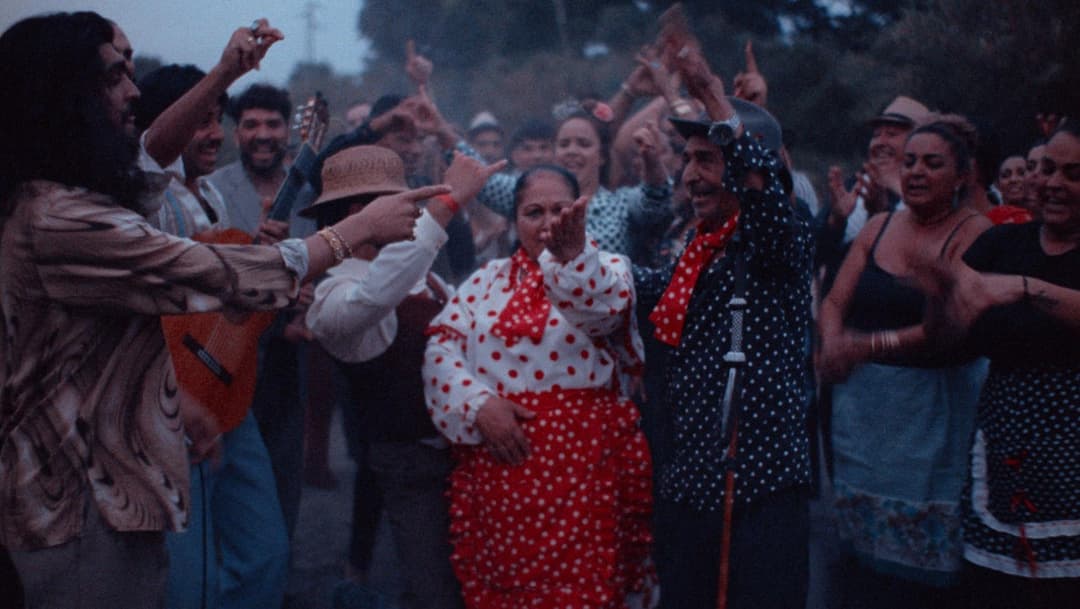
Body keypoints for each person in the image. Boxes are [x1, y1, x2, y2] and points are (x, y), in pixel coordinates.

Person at [0, 11, 435, 608]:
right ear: (60, 97)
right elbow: (216, 273)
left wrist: (224, 73)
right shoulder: (58, 219)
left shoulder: (76, 198)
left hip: (121, 478)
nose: (134, 93)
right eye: (114, 78)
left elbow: (147, 163)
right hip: (77, 507)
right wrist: (355, 228)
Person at [631, 48, 814, 609]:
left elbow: (767, 203)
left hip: (760, 491)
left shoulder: (782, 240)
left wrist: (714, 97)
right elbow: (640, 288)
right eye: (688, 159)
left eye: (707, 160)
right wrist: (575, 260)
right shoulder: (691, 246)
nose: (690, 175)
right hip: (691, 484)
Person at [422, 165, 653, 608]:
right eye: (533, 211)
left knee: (586, 590)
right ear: (513, 221)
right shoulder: (483, 283)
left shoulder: (608, 269)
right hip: (502, 476)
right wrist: (479, 405)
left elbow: (605, 314)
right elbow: (441, 349)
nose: (548, 223)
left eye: (560, 210)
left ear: (579, 213)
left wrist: (571, 260)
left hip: (587, 471)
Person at [133, 36, 295, 608]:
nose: (214, 134)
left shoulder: (215, 203)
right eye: (199, 121)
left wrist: (254, 257)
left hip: (229, 396)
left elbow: (218, 298)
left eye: (215, 121)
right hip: (176, 402)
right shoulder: (143, 201)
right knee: (190, 571)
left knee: (267, 552)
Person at [306, 146, 500, 609]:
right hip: (409, 467)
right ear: (361, 213)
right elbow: (375, 296)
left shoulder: (421, 275)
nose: (415, 212)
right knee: (437, 594)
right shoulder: (334, 291)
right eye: (406, 204)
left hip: (463, 459)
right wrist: (446, 205)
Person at [818, 120, 993, 607]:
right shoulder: (877, 227)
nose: (916, 171)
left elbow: (948, 329)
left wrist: (866, 346)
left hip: (933, 421)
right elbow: (834, 302)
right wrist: (833, 344)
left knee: (923, 582)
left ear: (961, 175)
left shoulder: (975, 233)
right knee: (862, 567)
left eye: (932, 163)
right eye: (910, 161)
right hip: (864, 422)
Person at [940, 120, 1080, 609]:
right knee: (997, 589)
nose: (1054, 182)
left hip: (1072, 459)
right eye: (1046, 168)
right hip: (1004, 452)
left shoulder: (1016, 266)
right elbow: (953, 323)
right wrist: (946, 301)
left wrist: (1024, 288)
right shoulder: (1005, 243)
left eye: (1073, 173)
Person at [207, 83, 315, 541]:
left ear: (289, 130)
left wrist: (307, 303)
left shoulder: (310, 192)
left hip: (292, 360)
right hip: (228, 356)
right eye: (251, 124)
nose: (263, 134)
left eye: (273, 123)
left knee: (285, 474)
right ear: (237, 134)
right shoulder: (215, 190)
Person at [988, 154, 1034, 225]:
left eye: (1021, 173)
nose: (1013, 179)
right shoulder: (989, 221)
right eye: (1005, 175)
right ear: (997, 184)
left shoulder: (1044, 216)